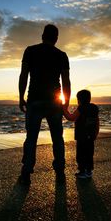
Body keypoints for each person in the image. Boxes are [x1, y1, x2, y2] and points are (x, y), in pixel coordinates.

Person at [18, 24, 71, 185]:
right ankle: (60, 171)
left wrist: (21, 97)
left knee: (31, 138)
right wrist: (66, 103)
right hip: (55, 102)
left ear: (42, 36)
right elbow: (66, 81)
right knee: (57, 138)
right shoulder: (61, 55)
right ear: (56, 38)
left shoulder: (30, 51)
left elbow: (24, 75)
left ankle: (26, 172)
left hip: (34, 100)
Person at [63, 90, 99, 179]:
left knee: (81, 154)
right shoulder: (94, 108)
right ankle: (89, 171)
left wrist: (64, 110)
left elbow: (71, 117)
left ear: (79, 99)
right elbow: (97, 121)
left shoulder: (81, 108)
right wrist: (96, 133)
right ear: (89, 98)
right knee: (90, 153)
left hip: (82, 135)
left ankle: (82, 171)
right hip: (91, 135)